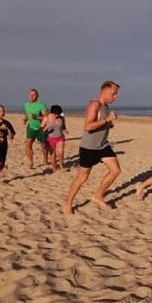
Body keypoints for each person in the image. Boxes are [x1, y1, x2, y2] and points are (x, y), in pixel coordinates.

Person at [63, 81, 121, 213]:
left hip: (103, 145)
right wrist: (107, 120)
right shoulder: (94, 105)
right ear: (105, 91)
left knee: (115, 170)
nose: (115, 97)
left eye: (116, 94)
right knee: (82, 178)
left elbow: (100, 124)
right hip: (89, 147)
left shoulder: (105, 106)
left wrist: (109, 124)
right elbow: (88, 127)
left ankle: (98, 196)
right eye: (114, 94)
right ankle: (68, 204)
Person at [23, 88, 49, 169]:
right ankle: (31, 162)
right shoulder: (26, 104)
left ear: (37, 96)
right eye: (30, 94)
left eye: (33, 95)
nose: (31, 96)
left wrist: (36, 117)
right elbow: (27, 114)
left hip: (42, 128)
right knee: (28, 143)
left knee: (44, 145)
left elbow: (47, 117)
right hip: (31, 127)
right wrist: (25, 119)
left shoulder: (41, 105)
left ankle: (45, 159)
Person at [42, 104, 68, 172]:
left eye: (59, 114)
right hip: (50, 138)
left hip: (60, 137)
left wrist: (65, 130)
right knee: (53, 154)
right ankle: (54, 167)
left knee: (61, 152)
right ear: (52, 112)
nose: (57, 115)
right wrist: (45, 129)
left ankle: (61, 166)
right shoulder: (47, 118)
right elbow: (41, 127)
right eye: (56, 114)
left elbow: (64, 125)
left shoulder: (61, 117)